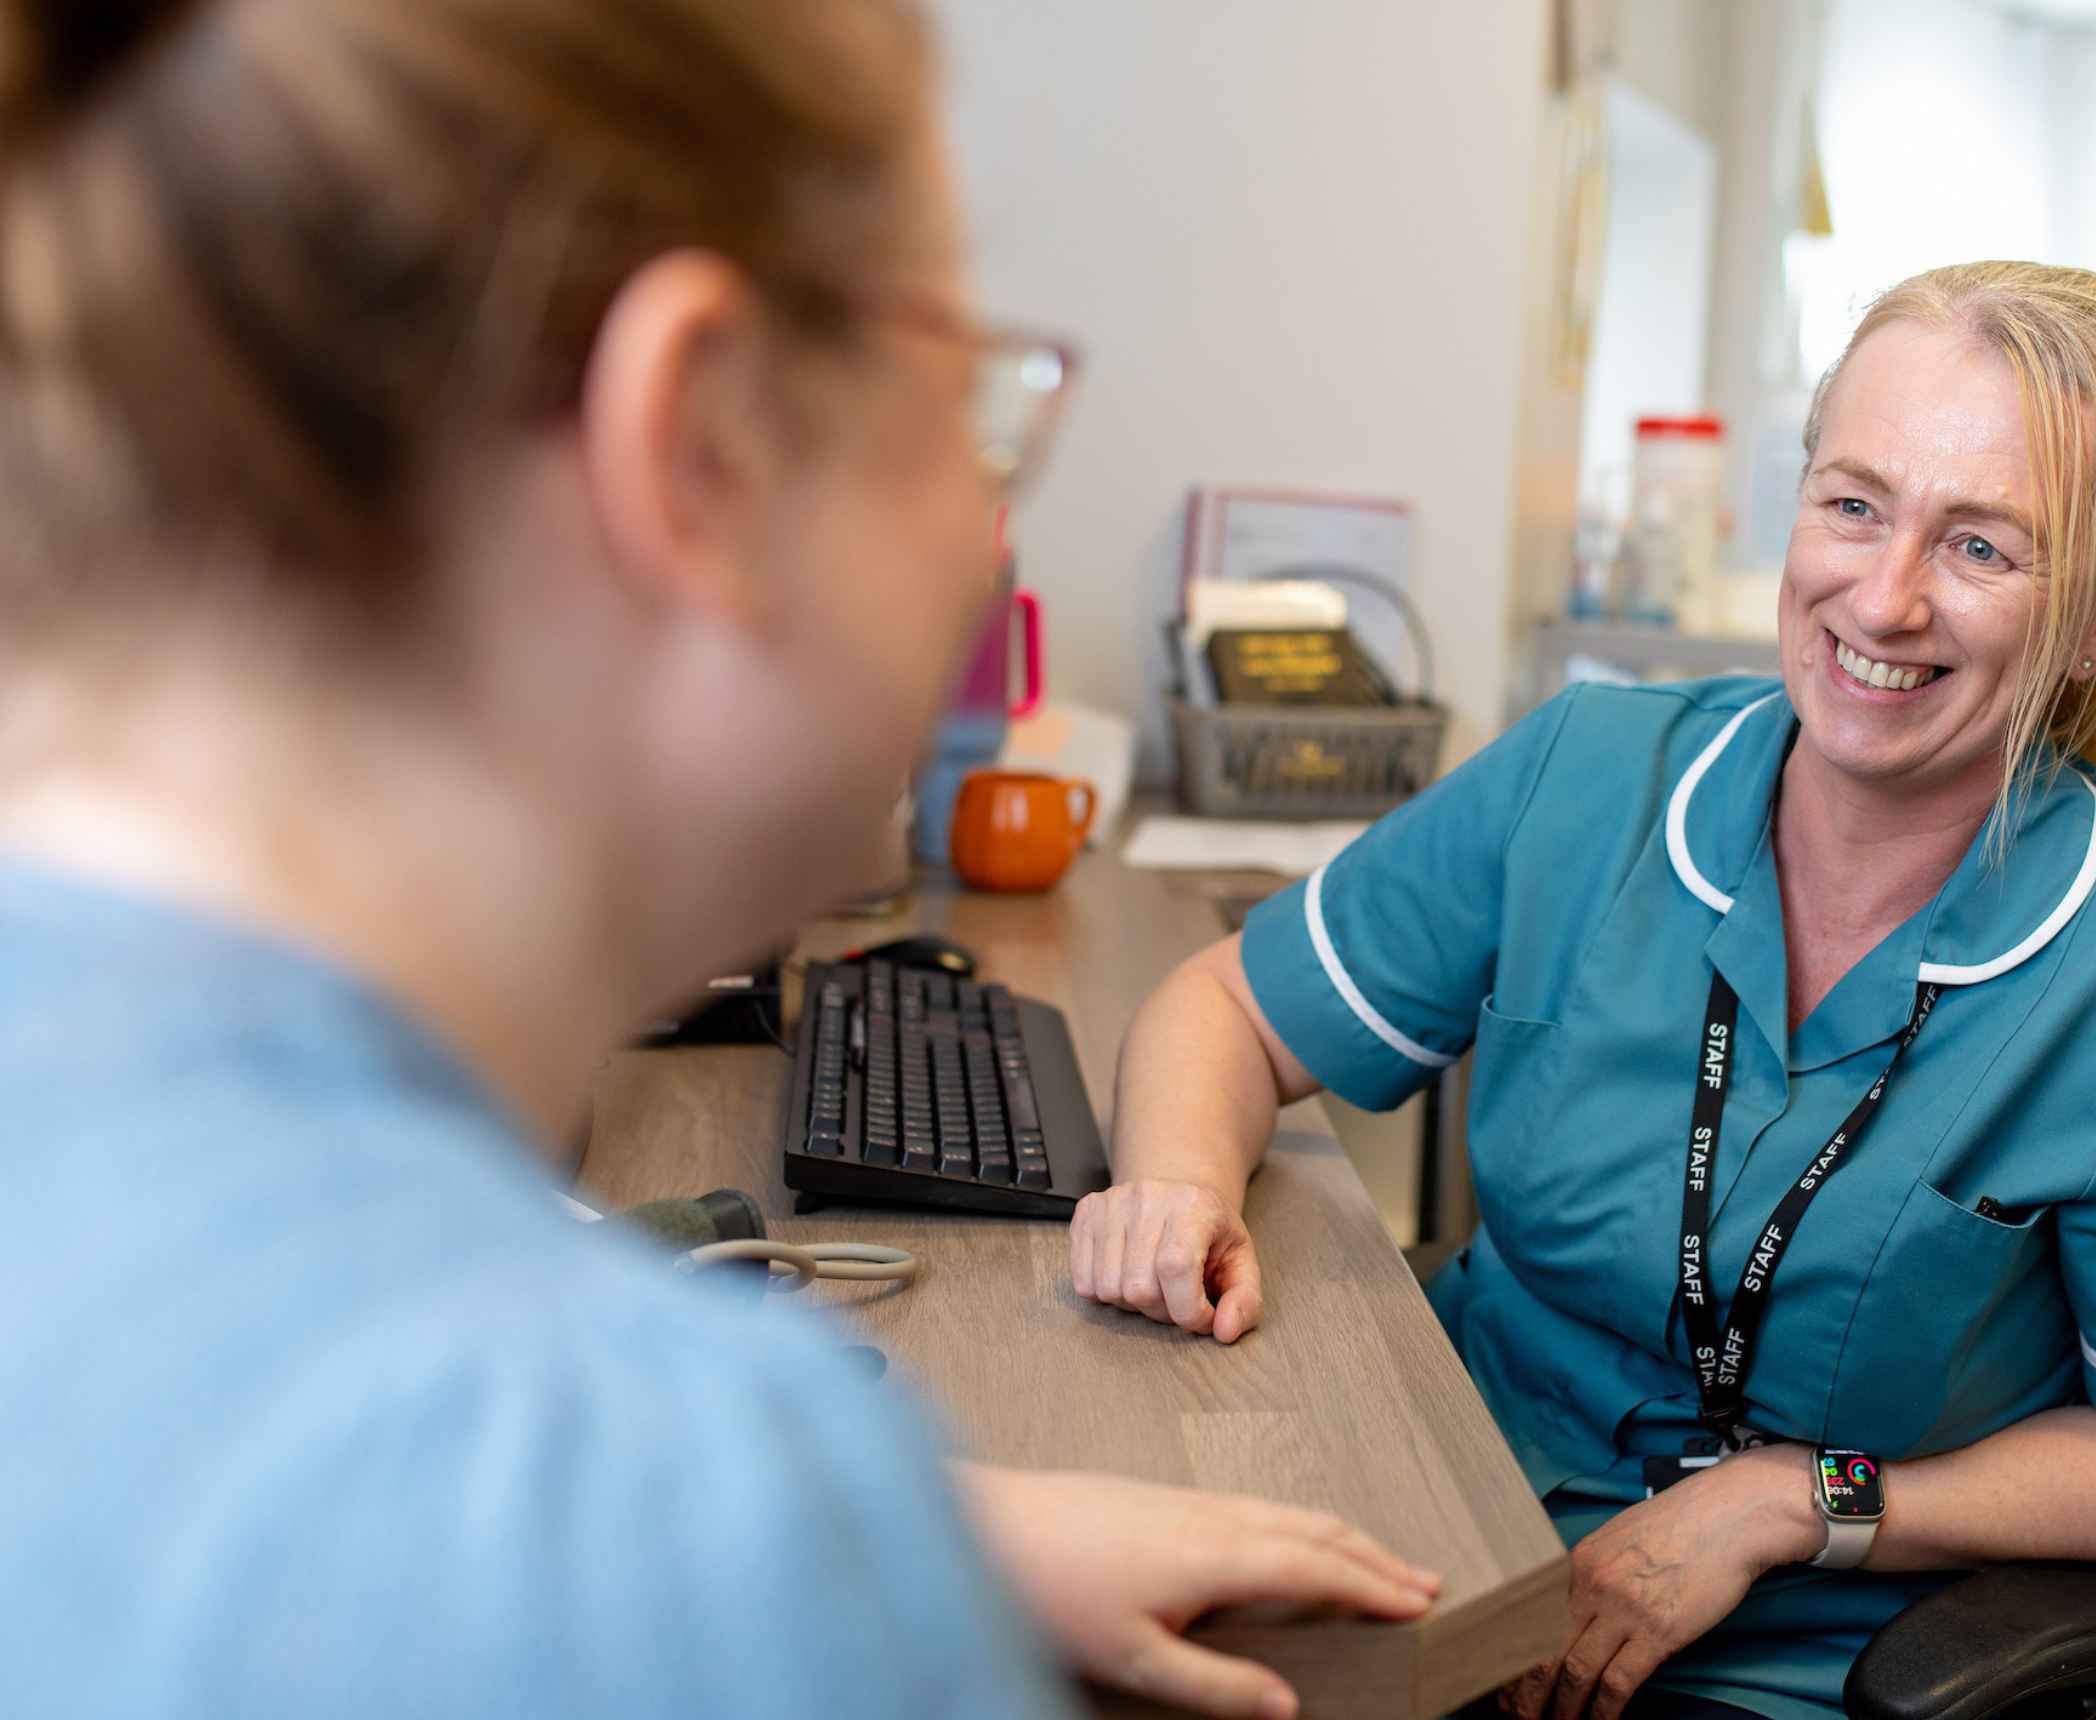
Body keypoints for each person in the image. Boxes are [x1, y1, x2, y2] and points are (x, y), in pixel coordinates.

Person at [0, 2, 1438, 1715]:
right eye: (968, 402)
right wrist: (804, 1565)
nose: (986, 547)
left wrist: (930, 1531)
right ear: (697, 443)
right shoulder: (674, 1533)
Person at [1073, 262, 2096, 1720]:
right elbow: (1231, 1007)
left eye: (1984, 547)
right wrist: (1176, 1186)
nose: (1886, 595)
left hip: (1803, 1656)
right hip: (1436, 1523)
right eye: (1853, 504)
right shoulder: (1592, 779)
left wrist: (1797, 1504)